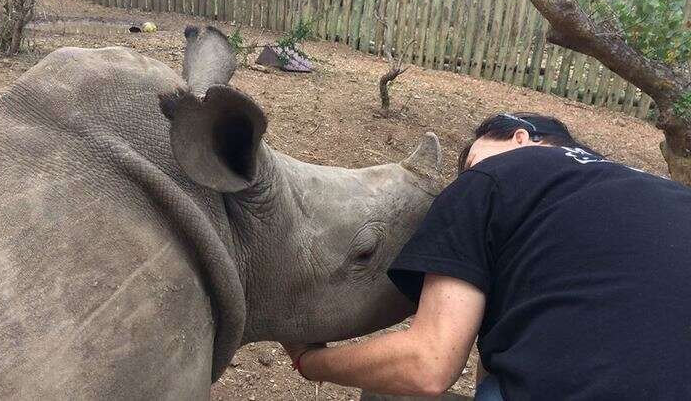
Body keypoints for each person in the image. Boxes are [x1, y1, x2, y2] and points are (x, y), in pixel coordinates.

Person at [283, 112, 691, 400]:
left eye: (472, 161)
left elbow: (428, 365)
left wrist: (310, 363)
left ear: (518, 137)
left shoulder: (491, 180)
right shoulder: (661, 192)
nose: (467, 175)